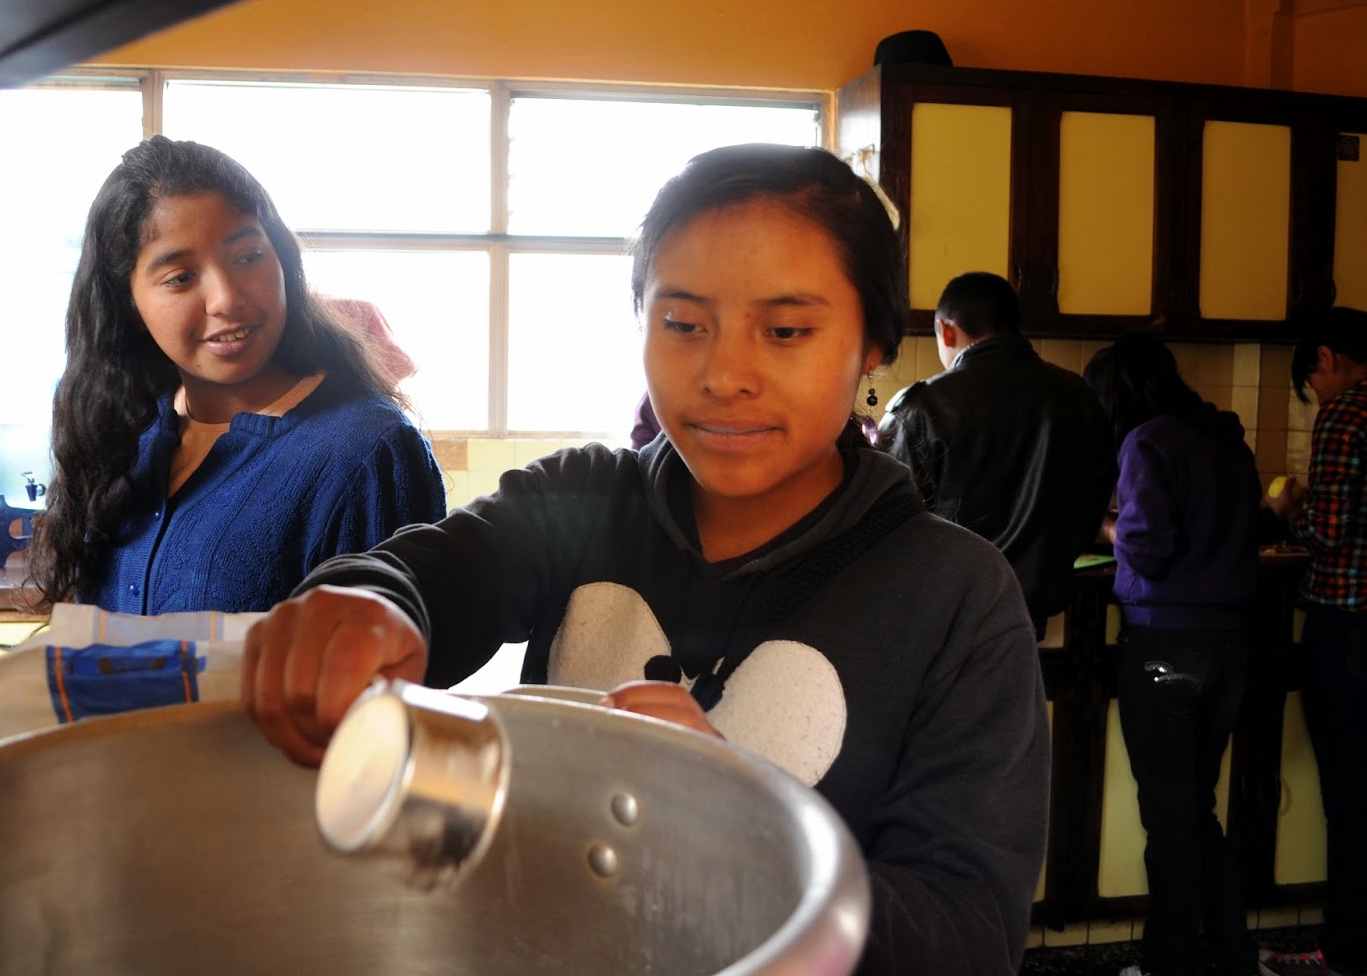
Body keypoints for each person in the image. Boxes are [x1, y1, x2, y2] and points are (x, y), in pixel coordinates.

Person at [241, 144, 1050, 975]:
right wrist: (370, 603)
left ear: (874, 343)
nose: (725, 374)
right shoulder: (583, 499)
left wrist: (738, 835)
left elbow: (968, 932)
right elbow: (436, 572)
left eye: (785, 331)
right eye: (684, 325)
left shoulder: (956, 598)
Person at [25, 136, 446, 615]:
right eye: (181, 277)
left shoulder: (368, 453)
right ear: (129, 304)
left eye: (248, 257)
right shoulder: (126, 428)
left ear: (282, 259)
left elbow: (391, 656)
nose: (226, 298)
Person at [1083, 334, 1260, 976]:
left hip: (1165, 645)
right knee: (1194, 807)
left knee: (1169, 815)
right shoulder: (1228, 439)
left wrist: (1102, 526)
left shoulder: (1147, 441)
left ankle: (1169, 962)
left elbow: (1147, 548)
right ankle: (1234, 954)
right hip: (1232, 645)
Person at [878, 271, 1116, 639]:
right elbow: (1095, 500)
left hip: (945, 615)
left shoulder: (921, 408)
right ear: (1016, 327)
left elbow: (888, 524)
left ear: (946, 331)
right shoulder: (1078, 396)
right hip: (1036, 611)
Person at [1262, 306, 1367, 976]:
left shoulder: (1345, 414)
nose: (1315, 395)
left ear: (1326, 359)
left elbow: (1327, 533)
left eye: (1310, 381)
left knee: (1350, 800)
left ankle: (1345, 952)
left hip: (1348, 628)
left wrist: (1288, 509)